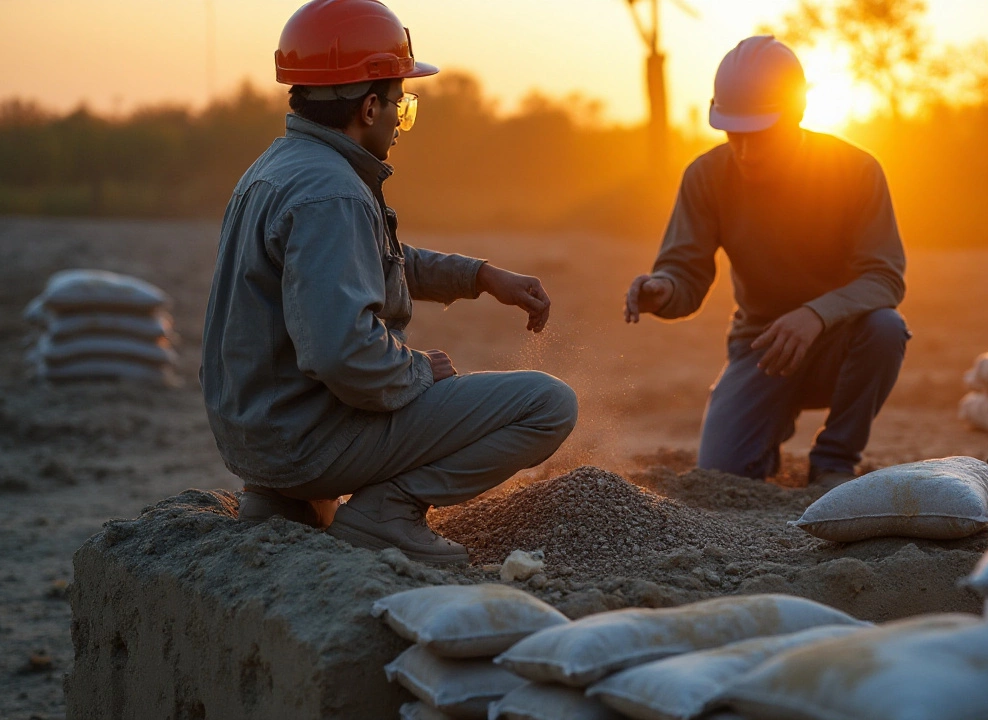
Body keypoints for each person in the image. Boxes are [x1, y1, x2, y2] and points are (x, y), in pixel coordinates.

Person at [201, 0, 578, 565]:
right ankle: (388, 512)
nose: (403, 120)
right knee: (548, 404)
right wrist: (419, 372)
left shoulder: (275, 169)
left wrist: (478, 277)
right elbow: (342, 354)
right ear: (370, 106)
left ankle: (284, 505)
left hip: (258, 438)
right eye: (402, 104)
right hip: (305, 441)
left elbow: (367, 263)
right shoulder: (333, 193)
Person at [624, 36, 908, 487]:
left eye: (760, 135)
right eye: (734, 134)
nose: (746, 152)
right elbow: (685, 274)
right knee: (721, 476)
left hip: (842, 341)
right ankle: (767, 426)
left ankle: (834, 460)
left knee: (886, 328)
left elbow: (885, 278)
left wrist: (816, 315)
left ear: (796, 114)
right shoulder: (705, 176)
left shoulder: (856, 171)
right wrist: (663, 289)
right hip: (760, 348)